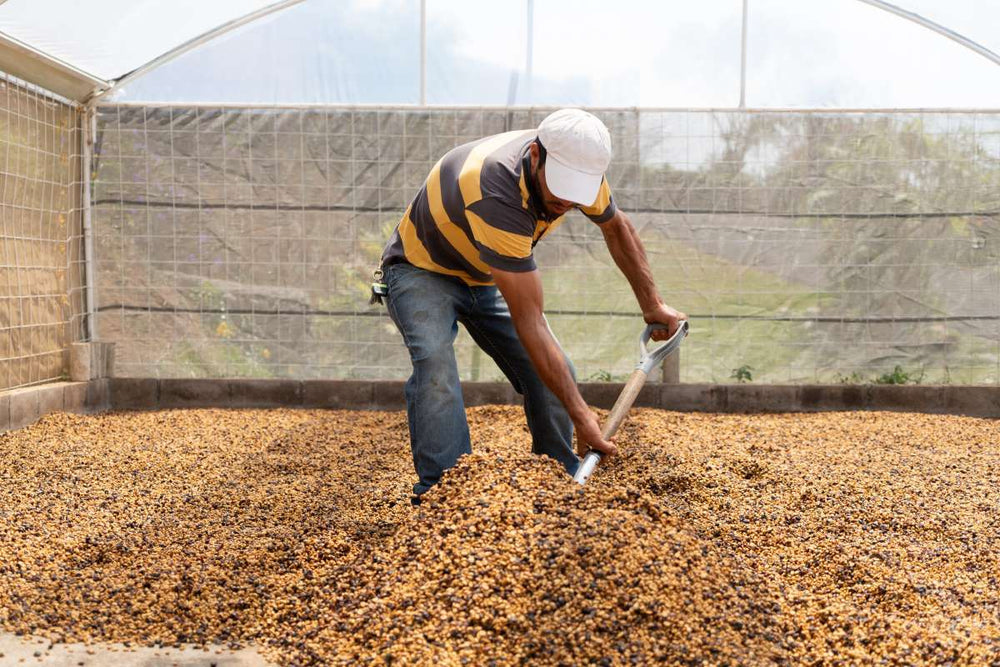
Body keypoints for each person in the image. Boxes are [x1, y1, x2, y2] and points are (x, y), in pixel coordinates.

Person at [376, 108, 686, 503]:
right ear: (536, 156)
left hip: (483, 272)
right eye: (560, 188)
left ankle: (557, 477)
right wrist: (582, 418)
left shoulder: (580, 169)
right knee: (435, 364)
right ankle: (446, 495)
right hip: (422, 269)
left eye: (577, 193)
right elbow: (530, 321)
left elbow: (616, 226)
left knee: (556, 372)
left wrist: (653, 304)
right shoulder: (494, 188)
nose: (566, 202)